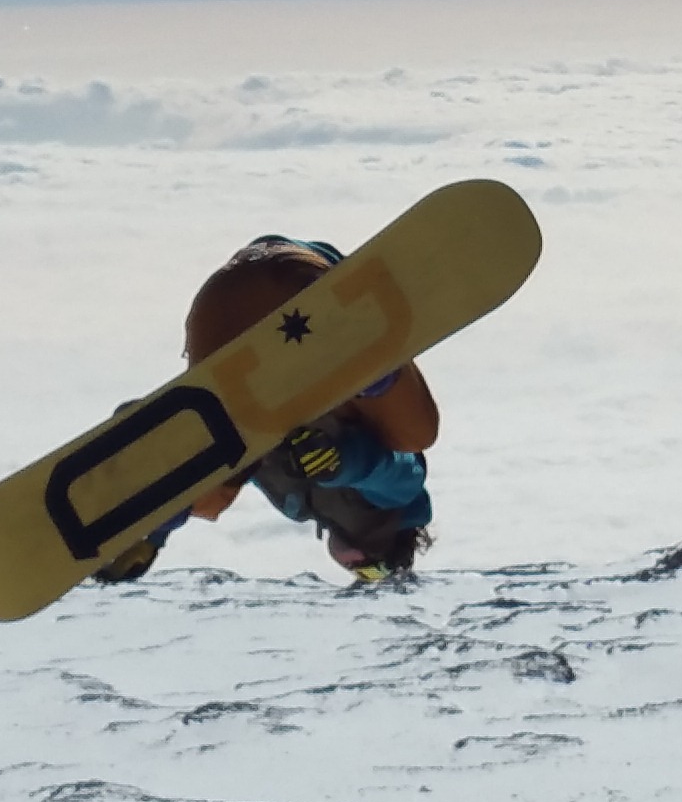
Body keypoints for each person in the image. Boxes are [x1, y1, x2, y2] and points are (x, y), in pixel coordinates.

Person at [99, 233, 439, 585]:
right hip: (301, 286)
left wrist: (157, 534)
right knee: (416, 433)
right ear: (392, 546)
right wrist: (340, 463)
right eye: (370, 571)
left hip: (223, 310)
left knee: (220, 486)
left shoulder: (299, 502)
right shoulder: (394, 505)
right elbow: (393, 472)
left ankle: (147, 503)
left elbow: (228, 464)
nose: (355, 570)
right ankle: (362, 365)